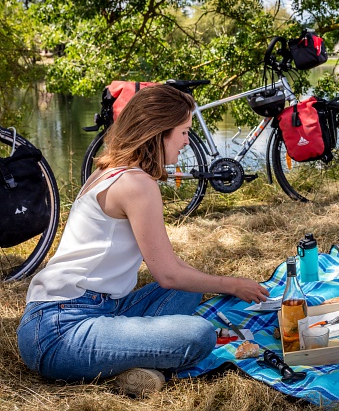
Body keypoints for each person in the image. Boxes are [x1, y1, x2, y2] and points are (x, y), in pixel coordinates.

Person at [17, 85, 270, 397]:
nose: (187, 142)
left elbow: (172, 269)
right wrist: (231, 285)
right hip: (60, 332)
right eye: (183, 132)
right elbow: (167, 273)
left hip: (94, 309)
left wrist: (220, 282)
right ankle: (127, 364)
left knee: (191, 289)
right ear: (158, 133)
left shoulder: (112, 169)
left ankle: (129, 363)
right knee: (199, 335)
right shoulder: (136, 184)